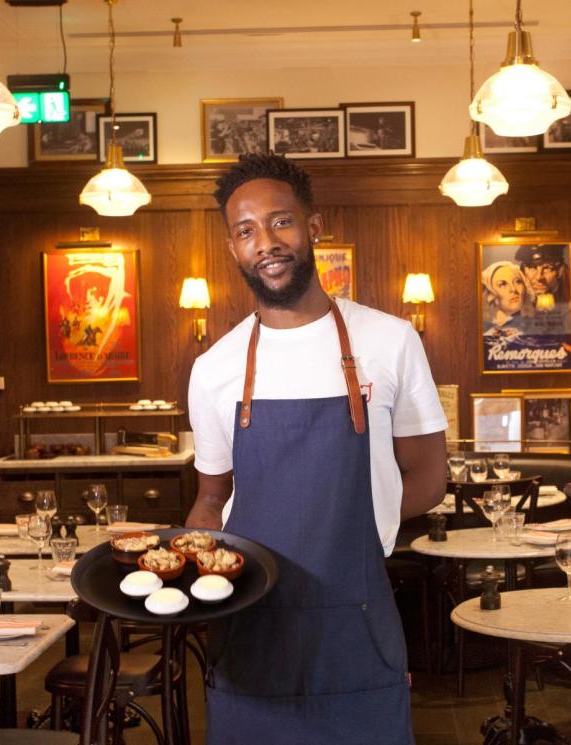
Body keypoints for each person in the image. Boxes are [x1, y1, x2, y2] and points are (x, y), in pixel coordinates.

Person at [187, 153, 447, 745]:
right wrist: (194, 574)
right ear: (233, 248)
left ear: (315, 226)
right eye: (246, 230)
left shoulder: (390, 341)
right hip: (250, 626)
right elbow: (211, 498)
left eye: (280, 221)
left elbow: (430, 479)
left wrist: (350, 526)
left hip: (356, 621)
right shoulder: (215, 369)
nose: (266, 243)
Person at [480, 259, 530, 335]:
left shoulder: (534, 329)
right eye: (502, 284)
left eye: (518, 282)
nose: (513, 289)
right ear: (489, 295)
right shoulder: (485, 333)